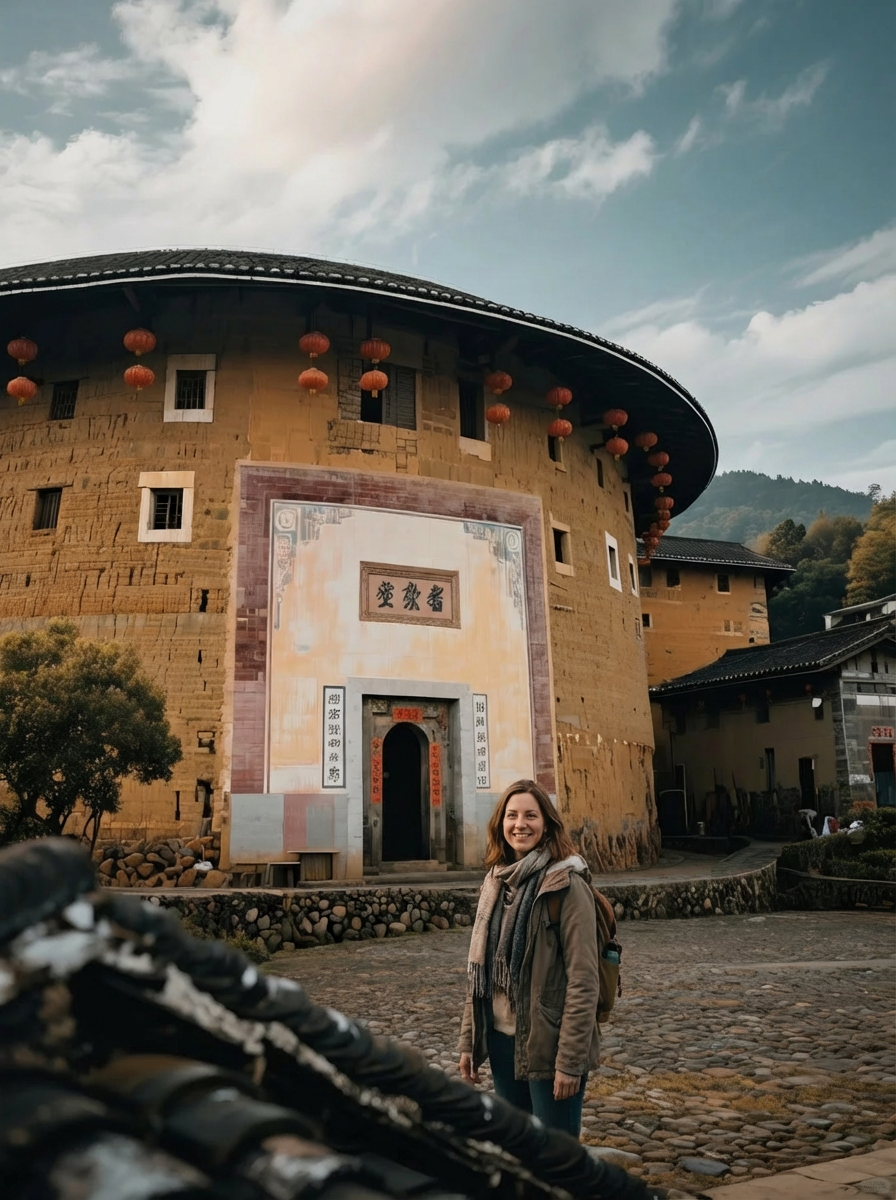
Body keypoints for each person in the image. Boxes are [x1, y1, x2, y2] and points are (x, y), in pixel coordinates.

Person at [457, 779, 600, 1138]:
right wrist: (468, 1042)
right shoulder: (496, 883)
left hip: (549, 1045)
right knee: (519, 1153)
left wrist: (570, 1060)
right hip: (504, 1042)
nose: (520, 824)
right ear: (500, 824)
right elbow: (481, 972)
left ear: (548, 824)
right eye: (512, 815)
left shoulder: (566, 885)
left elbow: (583, 980)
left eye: (531, 816)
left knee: (556, 1157)